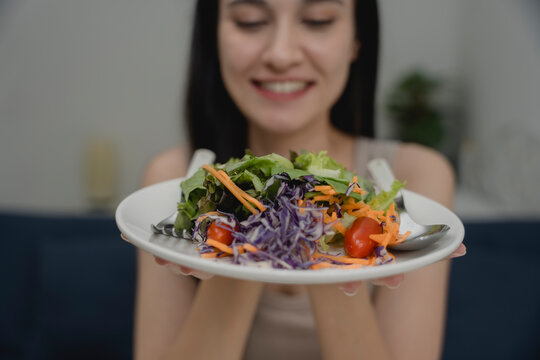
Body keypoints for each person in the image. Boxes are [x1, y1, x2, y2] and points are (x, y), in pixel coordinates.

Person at [128, 1, 467, 359]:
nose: (281, 54)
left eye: (317, 20)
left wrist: (325, 237)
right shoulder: (174, 182)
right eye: (250, 21)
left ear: (356, 38)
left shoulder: (418, 177)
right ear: (213, 35)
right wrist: (238, 226)